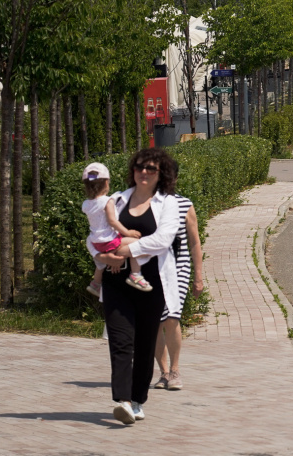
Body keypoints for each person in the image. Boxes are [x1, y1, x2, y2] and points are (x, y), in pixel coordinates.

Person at [92, 148, 182, 425]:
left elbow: (164, 240)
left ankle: (138, 399)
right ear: (133, 170)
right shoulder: (117, 200)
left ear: (160, 174)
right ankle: (122, 401)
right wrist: (100, 256)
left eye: (151, 169)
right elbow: (95, 234)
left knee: (144, 343)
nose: (144, 172)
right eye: (140, 167)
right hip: (116, 278)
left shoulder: (167, 203)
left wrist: (126, 251)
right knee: (121, 342)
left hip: (151, 282)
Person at [153, 186, 204, 392]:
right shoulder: (146, 204)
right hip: (152, 269)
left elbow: (194, 242)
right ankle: (164, 372)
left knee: (172, 318)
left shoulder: (185, 205)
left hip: (179, 268)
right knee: (156, 322)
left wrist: (198, 276)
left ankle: (175, 370)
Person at [82, 162, 151, 296]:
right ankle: (136, 275)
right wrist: (127, 232)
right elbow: (112, 221)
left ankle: (95, 284)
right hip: (109, 241)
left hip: (96, 242)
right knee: (137, 244)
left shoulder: (86, 204)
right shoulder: (108, 201)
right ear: (107, 183)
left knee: (100, 264)